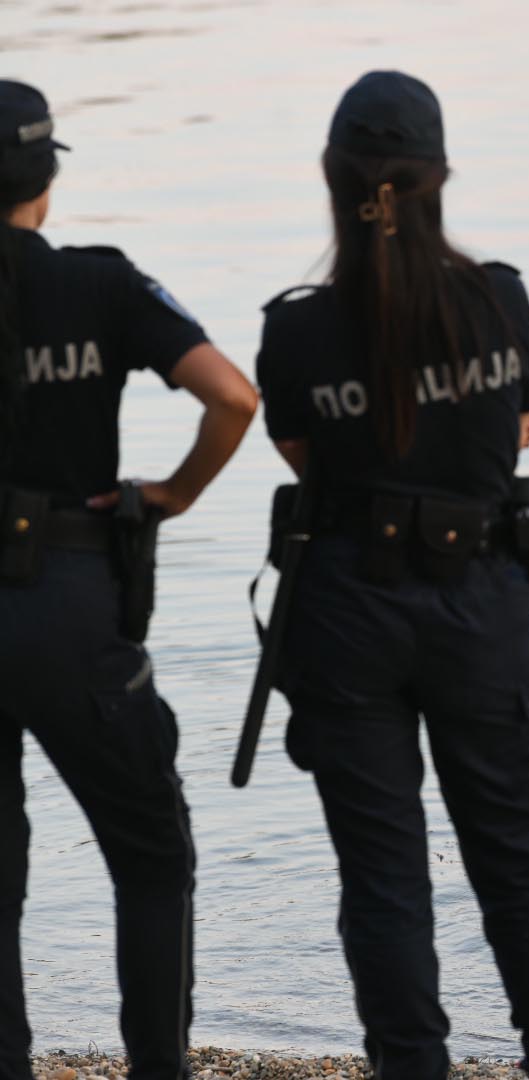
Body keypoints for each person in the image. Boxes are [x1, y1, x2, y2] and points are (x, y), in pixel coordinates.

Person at [254, 71, 529, 1079]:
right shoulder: (501, 296)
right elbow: (522, 426)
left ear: (333, 179)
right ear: (439, 177)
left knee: (384, 878)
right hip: (480, 598)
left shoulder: (297, 327)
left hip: (348, 602)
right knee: (519, 863)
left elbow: (306, 458)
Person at [0, 80, 257, 1080]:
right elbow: (232, 396)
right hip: (71, 600)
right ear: (45, 182)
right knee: (150, 852)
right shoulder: (102, 284)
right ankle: (159, 1066)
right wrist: (178, 493)